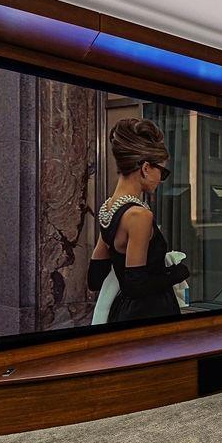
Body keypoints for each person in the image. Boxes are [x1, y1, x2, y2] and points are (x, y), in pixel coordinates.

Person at [87, 118, 188, 322]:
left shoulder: (108, 209)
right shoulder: (139, 215)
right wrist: (177, 273)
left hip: (121, 313)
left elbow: (94, 278)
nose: (161, 179)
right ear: (146, 168)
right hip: (149, 314)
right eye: (162, 172)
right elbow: (136, 286)